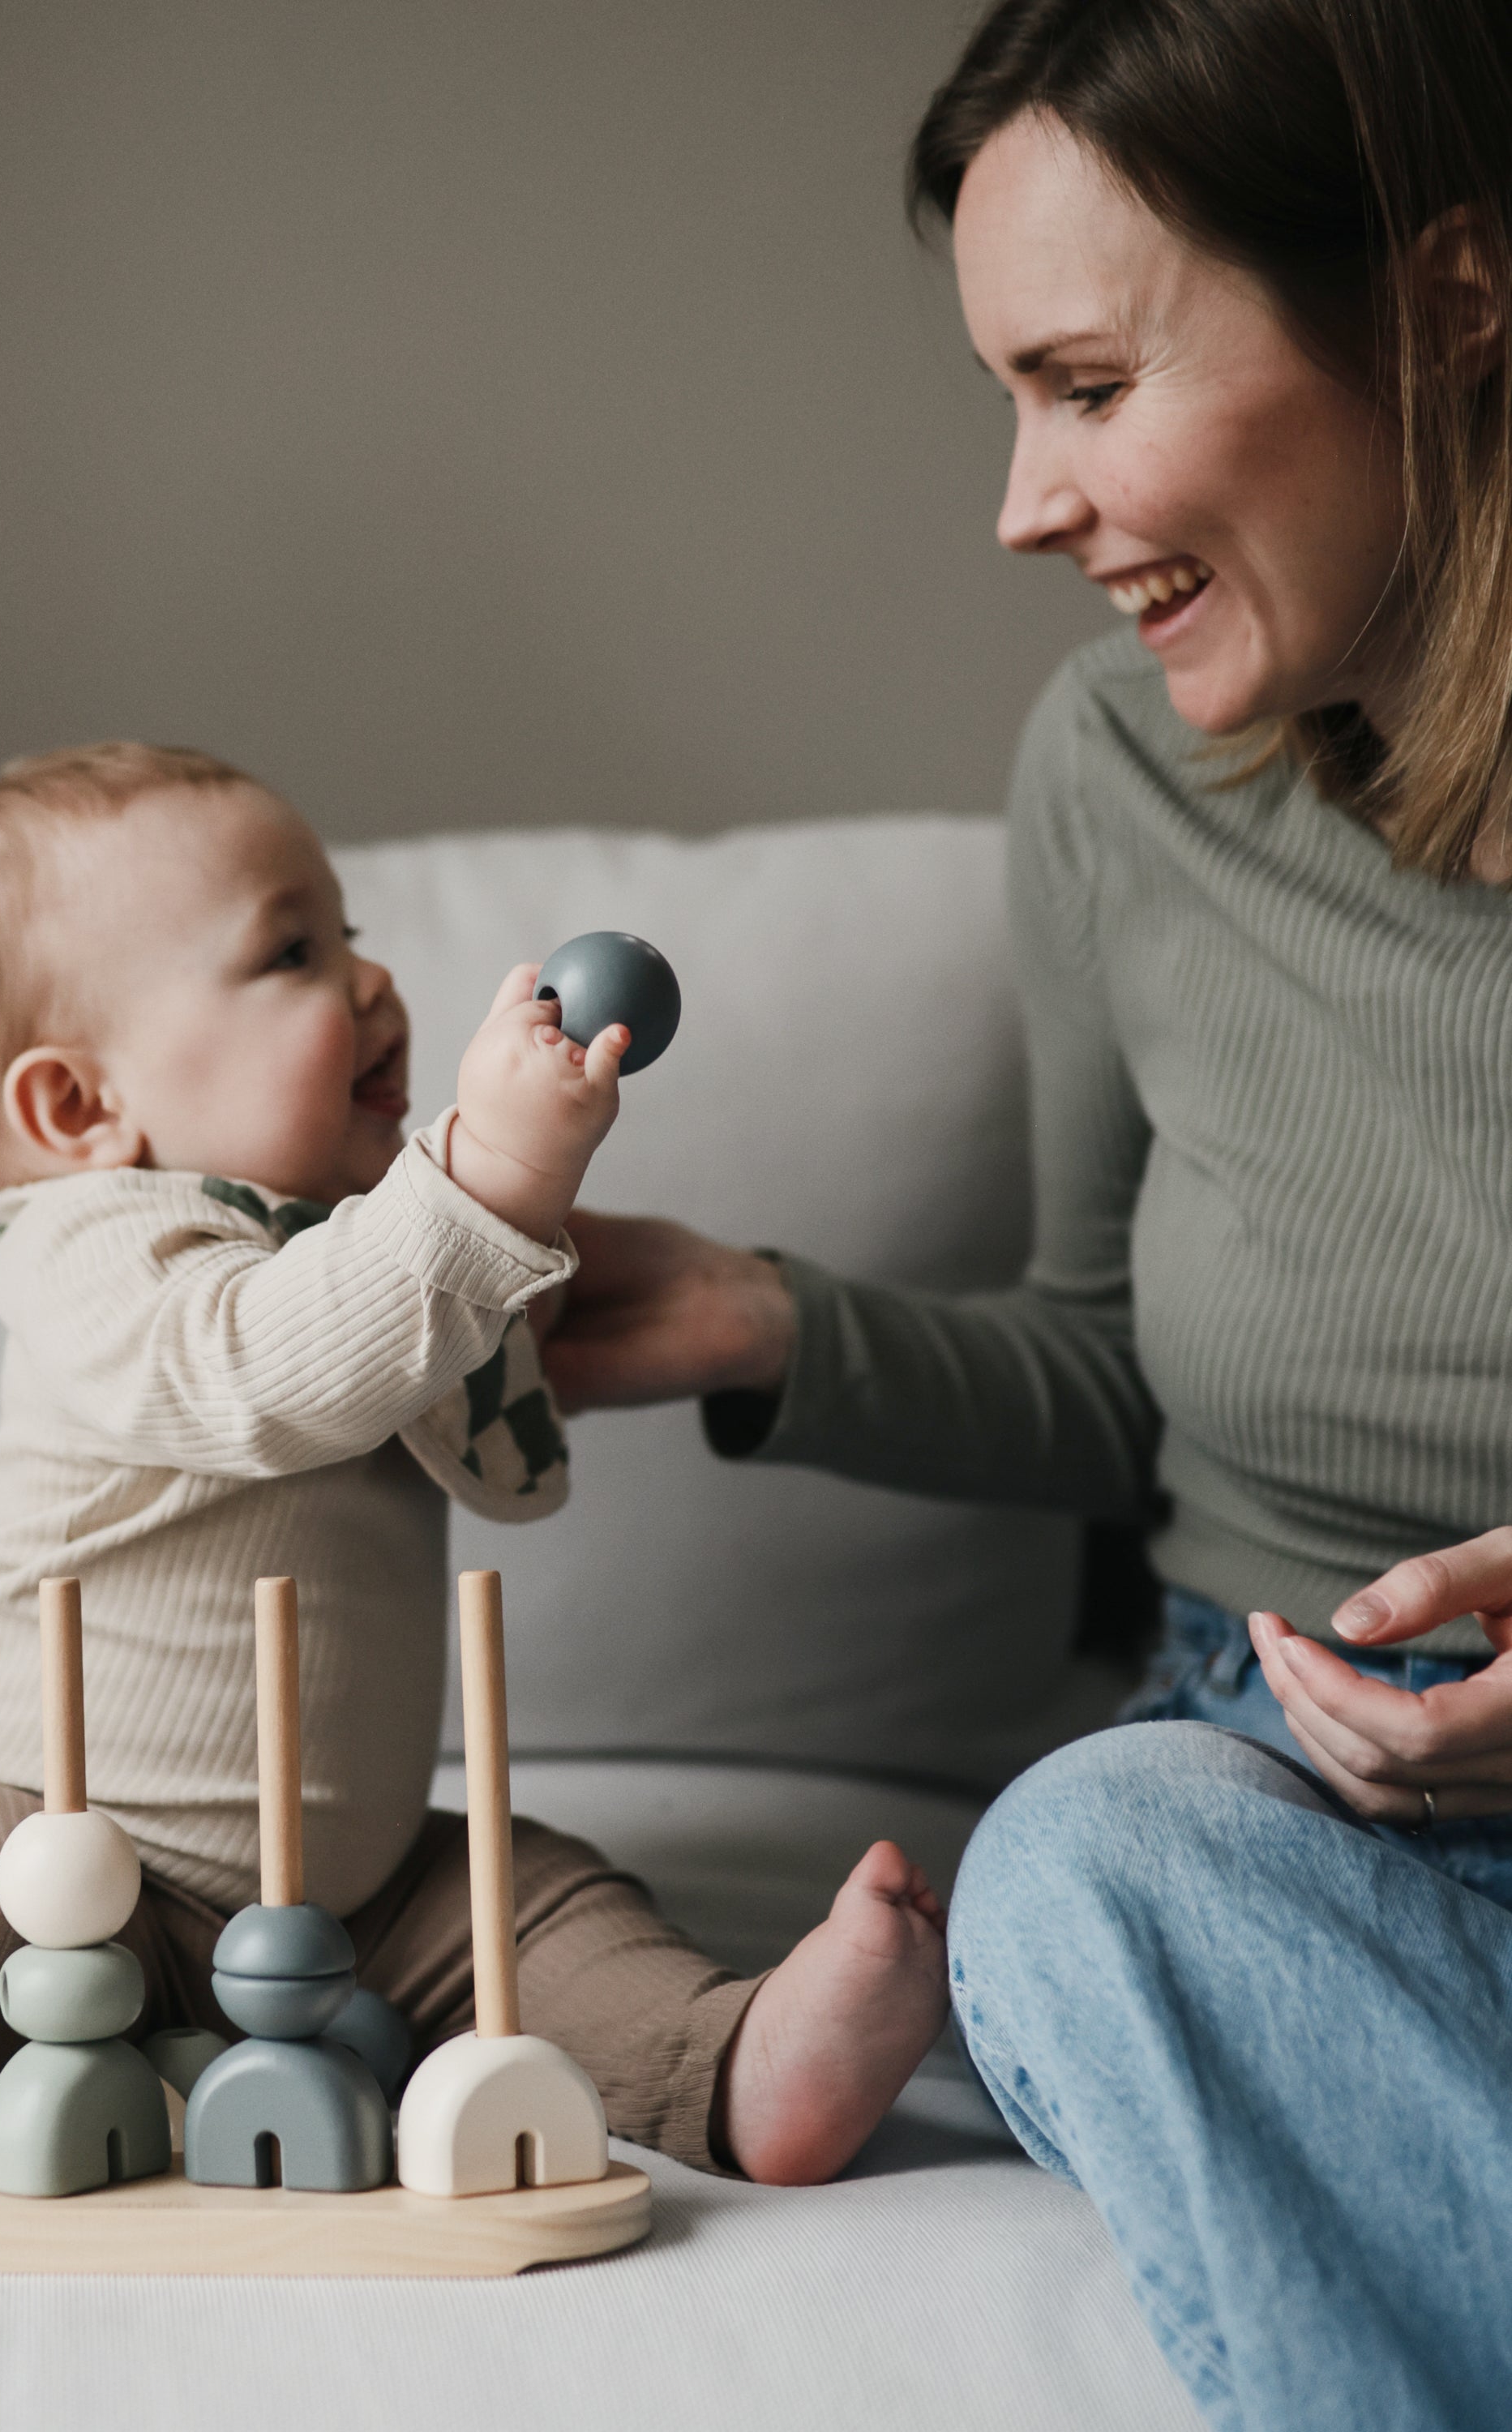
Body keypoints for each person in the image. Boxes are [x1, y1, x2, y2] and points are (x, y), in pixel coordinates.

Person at [540, 4, 1512, 2426]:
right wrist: (761, 1322)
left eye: (1086, 383)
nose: (1020, 504)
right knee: (1080, 1864)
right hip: (1293, 1808)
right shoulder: (1121, 779)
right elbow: (1112, 1366)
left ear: (1450, 299)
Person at [0, 741, 949, 2216]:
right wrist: (479, 1178)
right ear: (81, 1113)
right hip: (23, 1816)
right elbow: (265, 1370)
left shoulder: (359, 1238)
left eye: (347, 930)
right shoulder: (92, 1250)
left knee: (524, 1903)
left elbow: (401, 1320)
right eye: (290, 953)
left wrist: (532, 1259)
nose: (368, 980)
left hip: (331, 1887)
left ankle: (734, 2061)